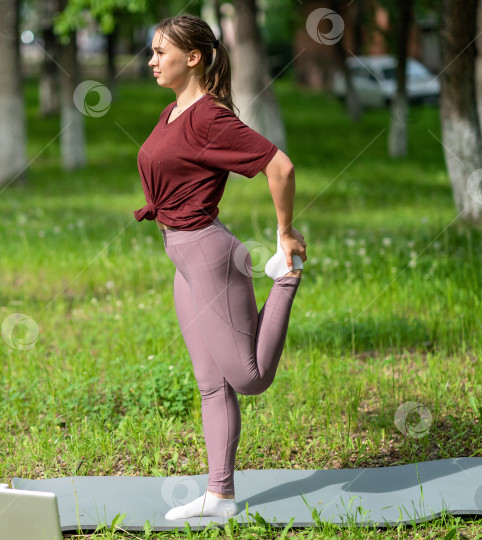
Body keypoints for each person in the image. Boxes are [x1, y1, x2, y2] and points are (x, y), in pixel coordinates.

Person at [133, 14, 307, 520]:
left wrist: (284, 231)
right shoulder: (171, 114)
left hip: (208, 254)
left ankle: (289, 275)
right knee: (210, 384)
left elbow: (281, 165)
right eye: (151, 51)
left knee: (248, 378)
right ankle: (219, 496)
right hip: (183, 259)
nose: (150, 60)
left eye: (159, 52)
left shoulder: (210, 117)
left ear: (192, 57)